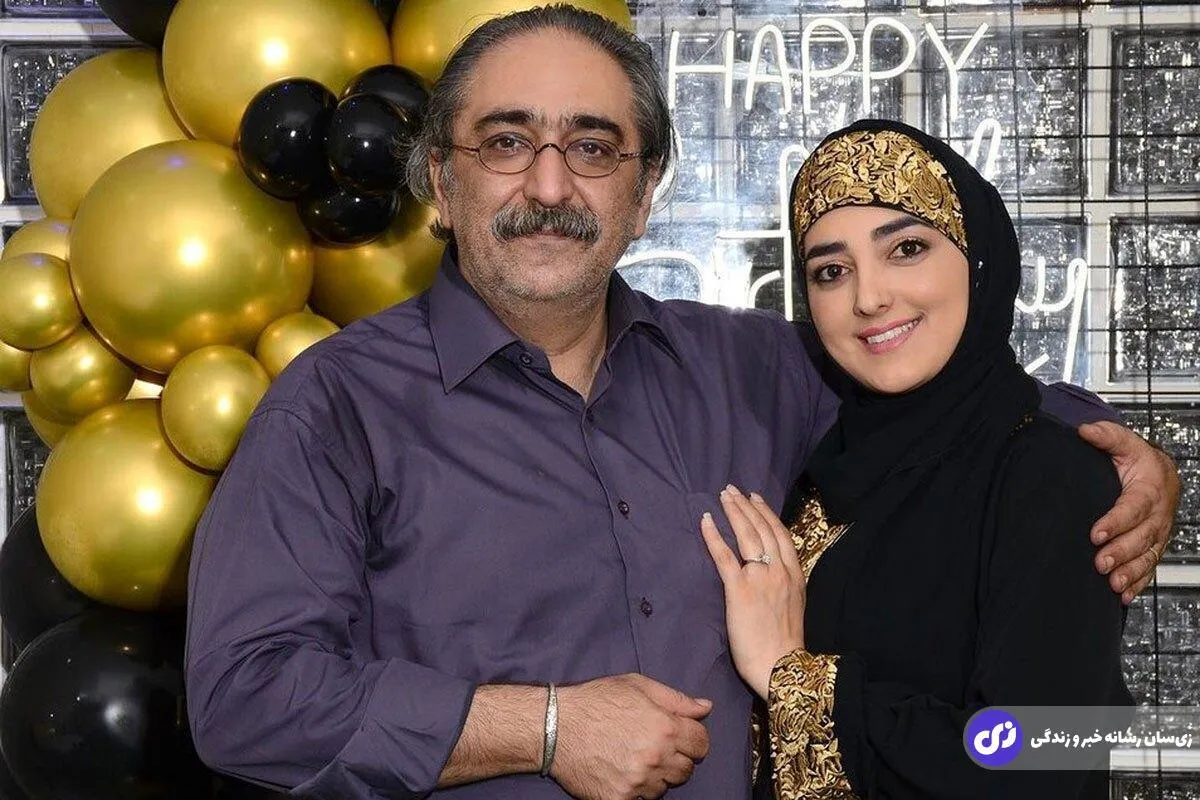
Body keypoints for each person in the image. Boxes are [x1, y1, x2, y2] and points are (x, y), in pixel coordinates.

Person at [185, 7, 1178, 800]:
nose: (549, 184)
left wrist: (1098, 445)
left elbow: (936, 394)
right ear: (441, 181)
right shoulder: (336, 407)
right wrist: (544, 726)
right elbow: (242, 698)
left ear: (645, 190)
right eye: (506, 141)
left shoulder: (751, 368)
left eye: (593, 147)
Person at [702, 120, 1134, 799]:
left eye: (906, 249)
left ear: (978, 257)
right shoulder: (829, 472)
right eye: (831, 271)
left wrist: (792, 676)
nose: (868, 298)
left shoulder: (1050, 477)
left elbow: (1036, 760)